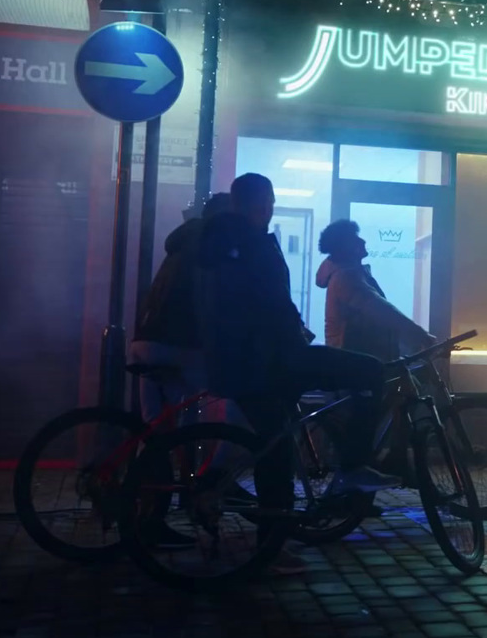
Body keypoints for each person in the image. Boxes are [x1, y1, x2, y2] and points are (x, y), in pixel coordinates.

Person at [195, 173, 399, 574]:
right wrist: (296, 337)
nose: (269, 210)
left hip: (245, 360)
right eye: (268, 202)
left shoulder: (219, 243)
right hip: (270, 360)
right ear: (262, 202)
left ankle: (267, 541)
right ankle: (352, 466)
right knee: (370, 372)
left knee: (276, 444)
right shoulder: (250, 243)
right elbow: (269, 303)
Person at [129, 191, 232, 550]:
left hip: (147, 341)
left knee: (161, 433)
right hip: (176, 347)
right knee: (236, 399)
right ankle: (213, 483)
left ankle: (153, 510)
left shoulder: (183, 241)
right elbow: (212, 305)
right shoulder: (209, 244)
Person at [314, 219, 435, 363]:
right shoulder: (346, 279)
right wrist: (421, 337)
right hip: (355, 366)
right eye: (355, 238)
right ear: (346, 247)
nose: (363, 241)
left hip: (358, 361)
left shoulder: (349, 275)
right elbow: (381, 310)